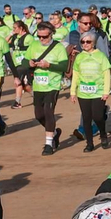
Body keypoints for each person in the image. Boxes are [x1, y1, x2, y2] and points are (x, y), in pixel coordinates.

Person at [24, 22, 69, 155]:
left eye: (44, 37)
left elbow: (64, 66)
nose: (41, 39)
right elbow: (24, 62)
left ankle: (48, 144)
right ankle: (54, 133)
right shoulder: (34, 45)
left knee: (49, 112)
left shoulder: (59, 47)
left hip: (53, 85)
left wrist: (49, 65)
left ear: (51, 34)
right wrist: (30, 63)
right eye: (39, 36)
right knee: (39, 115)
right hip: (38, 86)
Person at [71, 29, 111, 152]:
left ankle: (103, 134)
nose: (85, 44)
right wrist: (73, 92)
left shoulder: (101, 56)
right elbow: (75, 75)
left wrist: (106, 91)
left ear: (93, 43)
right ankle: (89, 143)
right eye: (82, 42)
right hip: (83, 92)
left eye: (88, 42)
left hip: (98, 92)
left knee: (98, 116)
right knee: (86, 118)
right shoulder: (79, 57)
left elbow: (106, 74)